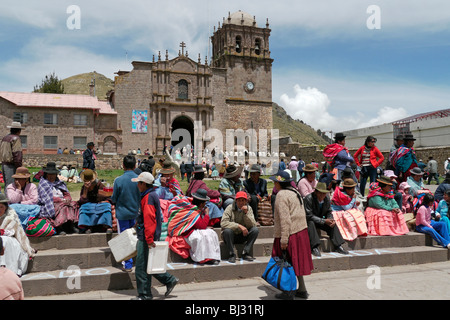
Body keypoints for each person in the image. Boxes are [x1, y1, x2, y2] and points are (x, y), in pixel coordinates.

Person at [132, 171, 179, 300]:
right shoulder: (150, 195)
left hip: (147, 236)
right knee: (149, 265)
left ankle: (145, 295)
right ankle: (170, 280)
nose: (137, 186)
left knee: (141, 267)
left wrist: (148, 239)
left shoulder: (148, 197)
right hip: (149, 235)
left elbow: (150, 219)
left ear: (144, 184)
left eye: (139, 183)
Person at [270, 170, 313, 300]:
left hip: (289, 233)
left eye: (275, 182)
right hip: (301, 231)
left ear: (279, 183)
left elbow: (285, 219)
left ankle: (288, 290)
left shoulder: (281, 195)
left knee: (286, 262)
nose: (274, 184)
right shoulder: (295, 192)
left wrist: (284, 239)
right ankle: (302, 289)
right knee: (296, 261)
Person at [111, 155, 141, 272]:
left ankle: (127, 264)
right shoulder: (139, 179)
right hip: (135, 213)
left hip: (122, 214)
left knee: (124, 238)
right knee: (135, 237)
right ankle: (136, 261)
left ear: (123, 165)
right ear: (135, 166)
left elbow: (114, 198)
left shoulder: (118, 180)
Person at [304, 182, 349, 257]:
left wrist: (330, 219)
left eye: (324, 193)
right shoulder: (309, 199)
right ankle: (314, 247)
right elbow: (308, 215)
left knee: (333, 224)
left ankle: (338, 245)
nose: (322, 196)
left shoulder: (327, 198)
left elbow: (329, 211)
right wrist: (323, 221)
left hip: (321, 219)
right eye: (320, 193)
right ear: (316, 192)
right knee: (310, 223)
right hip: (311, 220)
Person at [37, 162, 79, 235]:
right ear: (46, 175)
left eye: (53, 174)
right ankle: (59, 226)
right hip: (50, 203)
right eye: (49, 174)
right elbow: (46, 198)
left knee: (73, 205)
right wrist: (61, 200)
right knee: (63, 207)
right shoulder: (43, 184)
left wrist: (67, 198)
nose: (51, 176)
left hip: (63, 201)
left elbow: (66, 193)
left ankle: (70, 225)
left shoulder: (59, 183)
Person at [0, 193, 36, 276]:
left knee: (3, 240)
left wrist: (2, 232)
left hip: (12, 241)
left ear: (5, 208)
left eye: (1, 207)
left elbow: (12, 231)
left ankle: (10, 270)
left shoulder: (11, 216)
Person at [182, 189, 221, 265]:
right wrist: (207, 214)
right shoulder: (192, 211)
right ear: (201, 204)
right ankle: (199, 258)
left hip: (196, 229)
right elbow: (202, 226)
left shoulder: (197, 210)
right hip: (188, 232)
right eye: (204, 203)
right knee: (200, 237)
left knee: (211, 233)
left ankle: (212, 257)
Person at [220, 191, 259, 263]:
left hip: (242, 235)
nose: (241, 203)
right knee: (227, 231)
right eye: (239, 200)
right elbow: (223, 223)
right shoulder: (229, 208)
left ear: (246, 201)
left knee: (255, 230)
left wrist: (246, 214)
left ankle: (245, 252)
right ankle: (231, 254)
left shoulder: (249, 209)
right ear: (236, 201)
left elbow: (253, 224)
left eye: (243, 200)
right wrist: (238, 226)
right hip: (231, 235)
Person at [77, 169, 113, 234]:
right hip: (90, 205)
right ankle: (88, 226)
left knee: (106, 206)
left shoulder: (99, 185)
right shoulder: (84, 187)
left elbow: (108, 196)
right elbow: (82, 200)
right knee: (83, 207)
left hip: (100, 204)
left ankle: (107, 226)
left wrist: (106, 201)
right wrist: (86, 189)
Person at [0, 121, 23, 194]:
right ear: (19, 131)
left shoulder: (5, 138)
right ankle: (9, 202)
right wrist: (19, 167)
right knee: (11, 185)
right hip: (11, 165)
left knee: (7, 184)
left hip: (4, 164)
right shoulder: (16, 138)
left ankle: (6, 202)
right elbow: (17, 153)